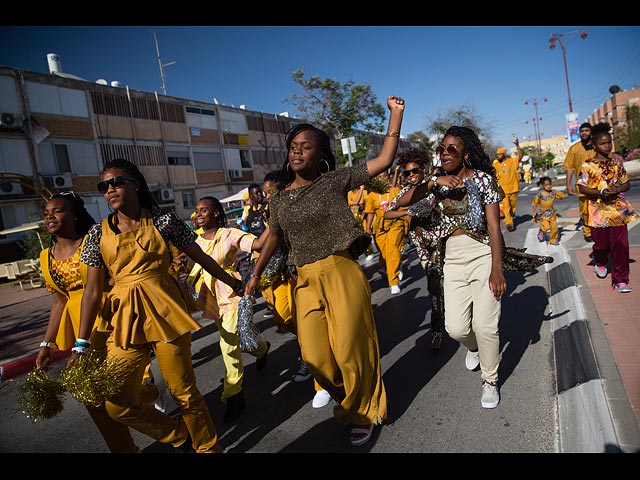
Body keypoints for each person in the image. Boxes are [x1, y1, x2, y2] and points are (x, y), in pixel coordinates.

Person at [245, 95, 405, 447]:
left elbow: (384, 159)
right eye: (293, 147)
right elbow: (273, 235)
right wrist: (255, 274)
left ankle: (364, 411)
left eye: (305, 147)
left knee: (350, 348)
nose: (296, 152)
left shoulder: (333, 181)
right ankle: (353, 397)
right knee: (316, 358)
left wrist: (395, 116)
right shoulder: (279, 198)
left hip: (340, 271)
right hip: (303, 278)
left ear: (320, 155)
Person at [72, 158, 245, 453]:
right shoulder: (97, 234)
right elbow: (91, 291)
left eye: (117, 182)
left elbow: (201, 257)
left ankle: (207, 447)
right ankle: (178, 433)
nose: (110, 189)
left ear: (135, 185)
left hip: (166, 311)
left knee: (184, 392)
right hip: (124, 319)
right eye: (104, 186)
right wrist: (81, 344)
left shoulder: (164, 221)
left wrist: (232, 282)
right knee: (117, 403)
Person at [396, 126, 506, 409]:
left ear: (466, 153)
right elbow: (401, 202)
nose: (445, 153)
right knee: (455, 328)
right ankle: (474, 348)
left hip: (482, 253)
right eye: (441, 149)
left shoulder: (483, 180)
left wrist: (497, 268)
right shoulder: (436, 183)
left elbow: (494, 226)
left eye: (452, 149)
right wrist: (432, 184)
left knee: (486, 325)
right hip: (452, 259)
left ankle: (490, 380)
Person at [36, 192, 142, 453]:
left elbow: (115, 278)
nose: (50, 216)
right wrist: (46, 343)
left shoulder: (94, 242)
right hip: (78, 329)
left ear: (73, 215)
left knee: (121, 392)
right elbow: (59, 302)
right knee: (91, 396)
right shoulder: (45, 257)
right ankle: (124, 449)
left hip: (110, 320)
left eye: (57, 211)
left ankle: (160, 416)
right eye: (46, 212)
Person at [187, 196, 271, 423]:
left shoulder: (229, 234)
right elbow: (186, 263)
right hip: (209, 297)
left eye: (204, 210)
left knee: (228, 345)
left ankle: (233, 394)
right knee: (238, 341)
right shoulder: (193, 239)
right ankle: (261, 349)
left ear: (215, 213)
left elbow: (258, 245)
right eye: (197, 211)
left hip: (232, 294)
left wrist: (274, 222)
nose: (199, 214)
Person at [384, 147, 446, 349]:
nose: (411, 176)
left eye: (415, 171)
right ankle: (437, 332)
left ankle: (461, 320)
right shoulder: (405, 193)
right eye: (407, 172)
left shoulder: (434, 186)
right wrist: (405, 214)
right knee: (435, 287)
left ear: (423, 169)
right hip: (423, 247)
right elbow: (387, 213)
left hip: (444, 242)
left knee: (452, 285)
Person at [576, 122, 639, 293]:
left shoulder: (617, 163)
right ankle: (601, 260)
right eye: (603, 143)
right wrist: (601, 191)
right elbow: (581, 187)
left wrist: (618, 188)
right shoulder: (587, 165)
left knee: (621, 244)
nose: (607, 146)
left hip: (617, 209)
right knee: (601, 244)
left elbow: (626, 184)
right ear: (595, 145)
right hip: (597, 211)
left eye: (609, 142)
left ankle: (621, 279)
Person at [364, 169, 409, 294]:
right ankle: (396, 268)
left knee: (393, 249)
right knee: (385, 253)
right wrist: (368, 228)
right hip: (380, 226)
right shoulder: (373, 194)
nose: (382, 178)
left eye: (385, 176)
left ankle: (393, 282)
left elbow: (404, 207)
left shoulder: (395, 191)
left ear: (388, 177)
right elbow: (370, 212)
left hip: (396, 223)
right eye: (380, 176)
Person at [563, 122, 595, 242]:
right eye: (582, 131)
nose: (584, 133)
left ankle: (599, 230)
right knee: (585, 210)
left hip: (598, 183)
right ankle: (587, 233)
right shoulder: (574, 148)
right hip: (582, 183)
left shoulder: (597, 145)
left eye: (586, 130)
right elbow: (569, 168)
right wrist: (568, 184)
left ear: (591, 132)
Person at [494, 137, 523, 232]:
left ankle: (509, 217)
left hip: (513, 188)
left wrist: (517, 146)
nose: (498, 156)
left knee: (512, 207)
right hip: (503, 190)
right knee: (506, 206)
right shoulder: (495, 165)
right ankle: (509, 223)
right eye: (497, 154)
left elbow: (520, 157)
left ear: (504, 154)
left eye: (500, 154)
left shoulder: (511, 161)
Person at [532, 176, 569, 245]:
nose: (548, 186)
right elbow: (535, 203)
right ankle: (542, 231)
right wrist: (534, 210)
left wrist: (569, 194)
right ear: (542, 185)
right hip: (543, 213)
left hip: (552, 212)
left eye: (549, 184)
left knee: (554, 227)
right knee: (546, 227)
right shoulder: (539, 194)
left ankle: (553, 240)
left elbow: (562, 196)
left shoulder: (554, 192)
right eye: (546, 185)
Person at [348, 185, 376, 262]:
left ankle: (370, 252)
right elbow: (352, 203)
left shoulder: (364, 192)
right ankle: (365, 252)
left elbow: (367, 204)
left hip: (364, 216)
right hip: (354, 218)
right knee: (358, 236)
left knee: (365, 234)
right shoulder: (349, 193)